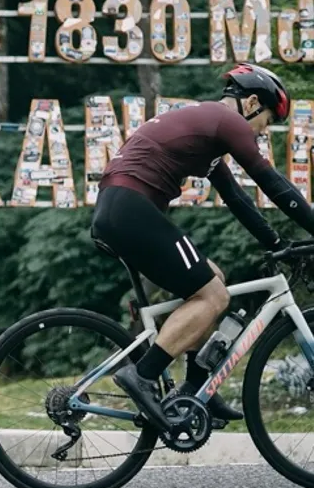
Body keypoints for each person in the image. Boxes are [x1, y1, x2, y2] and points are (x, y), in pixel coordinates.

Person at [91, 63, 314, 432]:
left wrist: (277, 244)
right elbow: (271, 183)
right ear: (251, 103)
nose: (263, 132)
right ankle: (142, 375)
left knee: (213, 279)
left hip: (120, 208)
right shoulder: (225, 121)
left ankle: (196, 388)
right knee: (213, 297)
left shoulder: (206, 128)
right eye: (267, 121)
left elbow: (237, 199)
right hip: (130, 208)